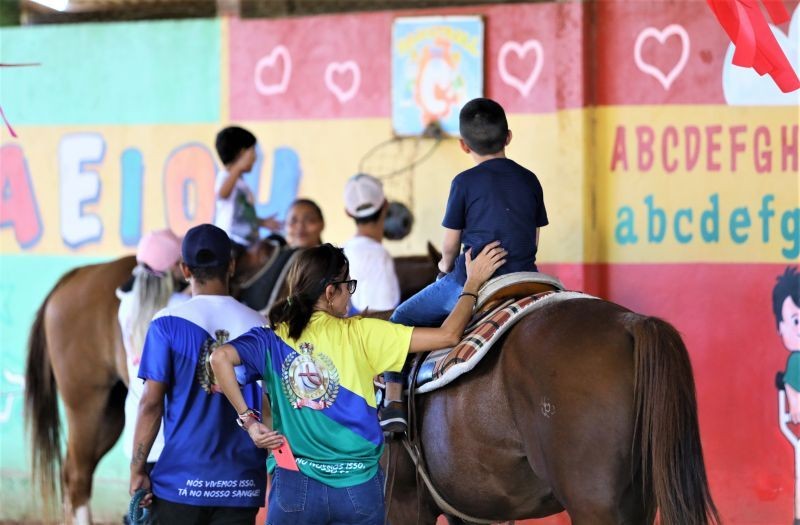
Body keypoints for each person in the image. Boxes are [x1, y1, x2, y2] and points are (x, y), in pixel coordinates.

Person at [208, 241, 505, 525]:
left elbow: (219, 358)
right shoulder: (363, 333)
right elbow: (449, 336)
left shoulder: (270, 338)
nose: (350, 294)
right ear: (329, 291)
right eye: (348, 286)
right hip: (358, 488)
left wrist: (249, 422)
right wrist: (472, 284)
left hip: (294, 485)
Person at [383, 97, 549, 431]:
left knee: (400, 319)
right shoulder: (530, 179)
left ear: (462, 145)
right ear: (509, 137)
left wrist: (444, 268)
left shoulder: (463, 182)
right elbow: (533, 238)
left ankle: (393, 401)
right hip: (526, 275)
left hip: (473, 278)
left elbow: (449, 244)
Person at [129, 223, 268, 524]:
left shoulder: (166, 324)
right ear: (231, 265)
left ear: (185, 269)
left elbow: (150, 404)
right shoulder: (261, 325)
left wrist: (137, 470)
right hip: (241, 485)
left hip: (180, 484)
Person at [117, 229, 189, 474]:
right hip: (173, 436)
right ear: (174, 270)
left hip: (138, 433)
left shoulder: (126, 305)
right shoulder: (180, 308)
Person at [213, 126, 281, 258]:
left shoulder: (240, 182)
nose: (255, 158)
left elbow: (242, 213)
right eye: (252, 152)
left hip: (246, 242)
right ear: (241, 153)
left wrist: (261, 222)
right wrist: (237, 167)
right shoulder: (226, 177)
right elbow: (222, 195)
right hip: (231, 241)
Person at [342, 173, 401, 313]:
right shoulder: (378, 256)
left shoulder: (344, 250)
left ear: (348, 213)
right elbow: (383, 317)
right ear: (386, 204)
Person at [775, 266, 800, 423]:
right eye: (795, 321)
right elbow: (790, 383)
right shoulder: (796, 360)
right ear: (781, 327)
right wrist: (795, 404)